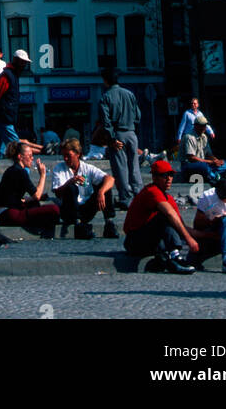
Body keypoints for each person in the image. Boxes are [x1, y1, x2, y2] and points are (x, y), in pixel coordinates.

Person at [122, 160, 198, 274]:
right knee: (165, 216)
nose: (169, 179)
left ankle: (169, 257)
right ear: (154, 177)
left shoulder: (168, 198)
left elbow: (180, 225)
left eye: (171, 175)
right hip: (134, 240)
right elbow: (169, 214)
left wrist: (206, 236)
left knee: (172, 222)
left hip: (150, 239)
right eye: (164, 175)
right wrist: (188, 239)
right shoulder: (151, 191)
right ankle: (175, 256)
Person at [0, 49, 37, 191]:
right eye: (23, 63)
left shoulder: (9, 75)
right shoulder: (8, 76)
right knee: (21, 149)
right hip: (5, 118)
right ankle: (26, 183)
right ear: (17, 62)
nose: (25, 66)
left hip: (3, 117)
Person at [50, 138, 117, 239]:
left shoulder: (87, 168)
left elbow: (110, 179)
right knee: (72, 188)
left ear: (78, 155)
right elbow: (57, 193)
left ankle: (109, 223)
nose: (65, 159)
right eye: (64, 156)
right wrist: (70, 182)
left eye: (68, 156)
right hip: (69, 210)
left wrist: (101, 192)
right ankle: (78, 224)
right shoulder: (59, 169)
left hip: (85, 208)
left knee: (105, 187)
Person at [98, 68, 143, 209]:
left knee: (120, 168)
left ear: (105, 80)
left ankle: (126, 198)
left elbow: (106, 122)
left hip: (117, 135)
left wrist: (111, 139)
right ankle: (139, 195)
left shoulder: (105, 97)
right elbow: (138, 116)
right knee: (134, 166)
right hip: (131, 133)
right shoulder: (130, 94)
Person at [0, 142, 59, 235]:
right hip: (10, 214)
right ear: (20, 157)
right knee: (54, 209)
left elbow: (13, 196)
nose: (32, 159)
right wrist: (43, 175)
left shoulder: (12, 169)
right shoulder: (21, 172)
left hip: (3, 212)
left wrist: (28, 200)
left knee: (34, 204)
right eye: (30, 156)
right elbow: (37, 195)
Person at [179, 118, 226, 183]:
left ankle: (212, 174)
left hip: (202, 162)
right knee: (204, 167)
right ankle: (214, 176)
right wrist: (210, 162)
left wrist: (216, 161)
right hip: (189, 164)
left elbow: (208, 154)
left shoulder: (204, 137)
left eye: (205, 126)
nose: (204, 128)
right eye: (202, 126)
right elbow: (191, 158)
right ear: (195, 126)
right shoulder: (189, 137)